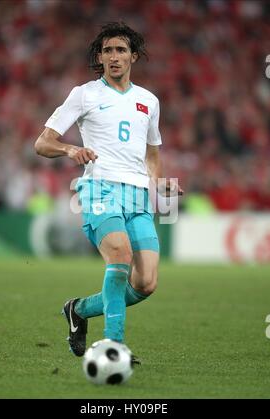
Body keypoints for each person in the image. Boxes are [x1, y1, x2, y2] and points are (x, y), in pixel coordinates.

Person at [34, 22, 183, 361]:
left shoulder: (149, 101)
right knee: (119, 254)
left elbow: (152, 155)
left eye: (121, 50)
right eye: (107, 51)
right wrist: (72, 151)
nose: (114, 57)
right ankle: (114, 347)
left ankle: (79, 309)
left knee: (146, 283)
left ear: (134, 56)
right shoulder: (84, 94)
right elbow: (42, 143)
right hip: (99, 188)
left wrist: (160, 184)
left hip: (137, 196)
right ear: (99, 57)